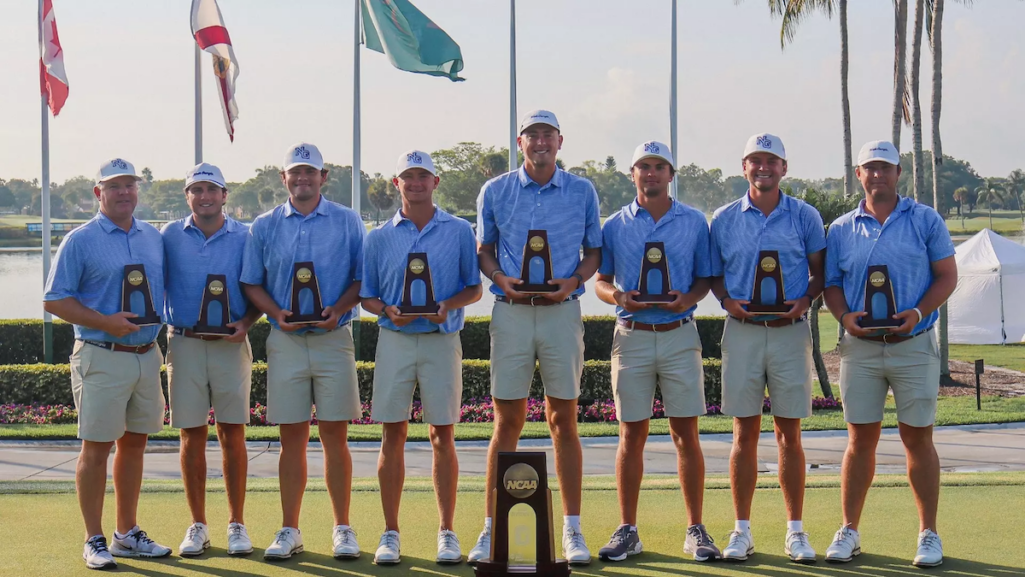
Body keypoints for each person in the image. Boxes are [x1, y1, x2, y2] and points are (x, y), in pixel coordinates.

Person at [469, 110, 602, 566]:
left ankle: (572, 528)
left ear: (560, 141)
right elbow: (484, 250)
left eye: (548, 134)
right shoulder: (495, 190)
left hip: (562, 312)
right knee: (506, 422)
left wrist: (574, 281)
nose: (540, 142)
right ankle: (491, 528)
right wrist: (499, 278)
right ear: (520, 142)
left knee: (563, 420)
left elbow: (594, 251)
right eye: (532, 135)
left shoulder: (582, 190)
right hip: (511, 312)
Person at [822, 141, 957, 567]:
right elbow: (831, 285)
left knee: (918, 438)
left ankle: (928, 534)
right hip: (860, 349)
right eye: (870, 168)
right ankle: (849, 530)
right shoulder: (841, 228)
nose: (878, 174)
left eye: (886, 167)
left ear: (899, 173)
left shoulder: (925, 219)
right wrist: (843, 316)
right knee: (859, 440)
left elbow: (947, 276)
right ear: (858, 174)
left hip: (914, 345)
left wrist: (917, 312)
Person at [594, 141, 721, 563]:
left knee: (686, 435)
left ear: (671, 174)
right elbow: (601, 281)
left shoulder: (694, 222)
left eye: (659, 166)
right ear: (632, 173)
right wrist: (618, 296)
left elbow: (705, 279)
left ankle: (696, 528)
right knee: (631, 434)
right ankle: (627, 529)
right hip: (631, 335)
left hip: (678, 334)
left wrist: (688, 299)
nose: (651, 173)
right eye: (644, 166)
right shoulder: (615, 225)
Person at [43, 158, 172, 570]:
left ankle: (126, 534)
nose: (123, 193)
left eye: (129, 185)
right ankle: (93, 538)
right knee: (96, 449)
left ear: (137, 190)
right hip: (101, 354)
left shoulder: (153, 237)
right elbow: (54, 300)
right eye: (114, 186)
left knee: (134, 446)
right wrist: (105, 321)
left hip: (146, 355)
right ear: (99, 192)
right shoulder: (80, 240)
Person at [240, 143, 365, 560]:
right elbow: (251, 282)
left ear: (323, 177)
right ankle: (290, 529)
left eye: (310, 172)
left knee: (335, 437)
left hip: (333, 338)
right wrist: (276, 312)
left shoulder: (347, 220)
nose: (302, 178)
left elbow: (361, 278)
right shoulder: (264, 225)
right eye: (295, 172)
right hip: (286, 340)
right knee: (291, 438)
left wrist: (339, 310)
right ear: (284, 178)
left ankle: (343, 528)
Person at [360, 150, 482, 566]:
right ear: (396, 183)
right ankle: (390, 532)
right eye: (407, 177)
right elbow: (367, 296)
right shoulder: (378, 237)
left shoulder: (459, 231)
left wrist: (448, 305)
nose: (415, 183)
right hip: (395, 339)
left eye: (422, 176)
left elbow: (474, 288)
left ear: (435, 182)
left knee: (442, 435)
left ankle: (447, 531)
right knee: (392, 434)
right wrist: (386, 309)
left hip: (440, 339)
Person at [709, 133, 825, 563]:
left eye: (771, 161)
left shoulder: (805, 216)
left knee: (789, 433)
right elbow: (713, 273)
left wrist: (806, 299)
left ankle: (796, 531)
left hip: (790, 331)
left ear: (783, 168)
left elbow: (820, 272)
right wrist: (726, 300)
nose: (763, 168)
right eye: (755, 160)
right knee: (744, 432)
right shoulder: (723, 218)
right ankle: (741, 530)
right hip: (742, 330)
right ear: (744, 167)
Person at [161, 163, 262, 557]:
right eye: (197, 190)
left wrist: (247, 323)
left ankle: (237, 524)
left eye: (212, 190)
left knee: (232, 433)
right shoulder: (169, 235)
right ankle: (198, 525)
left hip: (230, 345)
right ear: (187, 195)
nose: (205, 197)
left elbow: (259, 288)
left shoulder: (246, 236)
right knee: (191, 435)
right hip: (184, 343)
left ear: (224, 195)